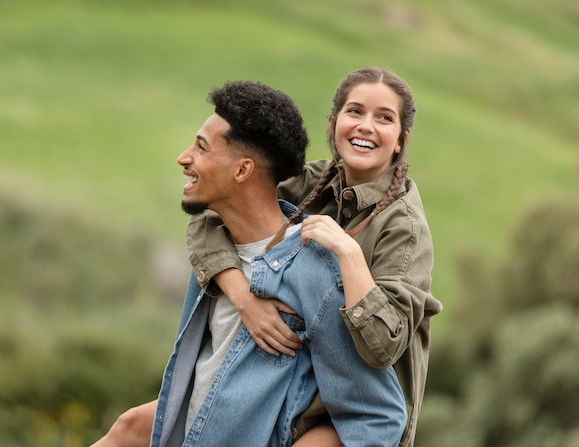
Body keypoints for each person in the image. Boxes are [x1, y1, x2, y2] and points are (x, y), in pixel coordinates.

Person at [91, 80, 407, 447]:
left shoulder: (316, 274)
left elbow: (379, 417)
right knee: (127, 428)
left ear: (242, 171)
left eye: (201, 147)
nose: (184, 157)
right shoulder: (216, 248)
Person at [186, 66, 443, 447]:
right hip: (294, 389)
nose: (366, 126)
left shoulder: (404, 228)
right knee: (136, 426)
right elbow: (214, 207)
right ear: (334, 121)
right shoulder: (314, 181)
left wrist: (348, 252)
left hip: (358, 416)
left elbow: (384, 346)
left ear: (401, 140)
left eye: (384, 118)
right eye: (355, 112)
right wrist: (243, 299)